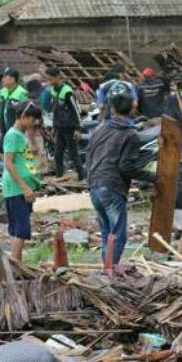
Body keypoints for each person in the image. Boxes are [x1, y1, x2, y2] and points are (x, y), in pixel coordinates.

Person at [85, 85, 156, 266]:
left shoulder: (100, 129)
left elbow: (89, 155)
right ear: (133, 108)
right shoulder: (130, 134)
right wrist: (153, 177)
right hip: (111, 186)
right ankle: (110, 273)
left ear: (113, 108)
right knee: (117, 235)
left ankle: (106, 271)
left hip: (94, 184)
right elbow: (126, 167)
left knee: (106, 233)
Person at [1, 101, 42, 261]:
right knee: (22, 229)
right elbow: (9, 163)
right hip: (17, 189)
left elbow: (25, 161)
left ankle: (15, 265)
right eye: (32, 120)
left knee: (17, 229)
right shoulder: (12, 135)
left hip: (22, 188)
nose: (34, 123)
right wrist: (25, 187)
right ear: (23, 117)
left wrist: (35, 181)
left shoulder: (20, 135)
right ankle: (15, 266)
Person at [46, 67, 84, 180]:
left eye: (50, 79)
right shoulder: (53, 90)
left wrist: (78, 128)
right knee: (58, 155)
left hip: (70, 127)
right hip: (59, 127)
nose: (49, 81)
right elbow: (54, 109)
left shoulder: (67, 91)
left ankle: (82, 177)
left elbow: (76, 110)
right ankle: (59, 177)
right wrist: (53, 125)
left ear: (57, 77)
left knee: (74, 154)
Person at [0, 67, 28, 142]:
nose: (2, 79)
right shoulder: (4, 90)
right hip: (6, 128)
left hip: (17, 129)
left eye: (5, 77)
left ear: (13, 79)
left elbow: (27, 112)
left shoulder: (22, 93)